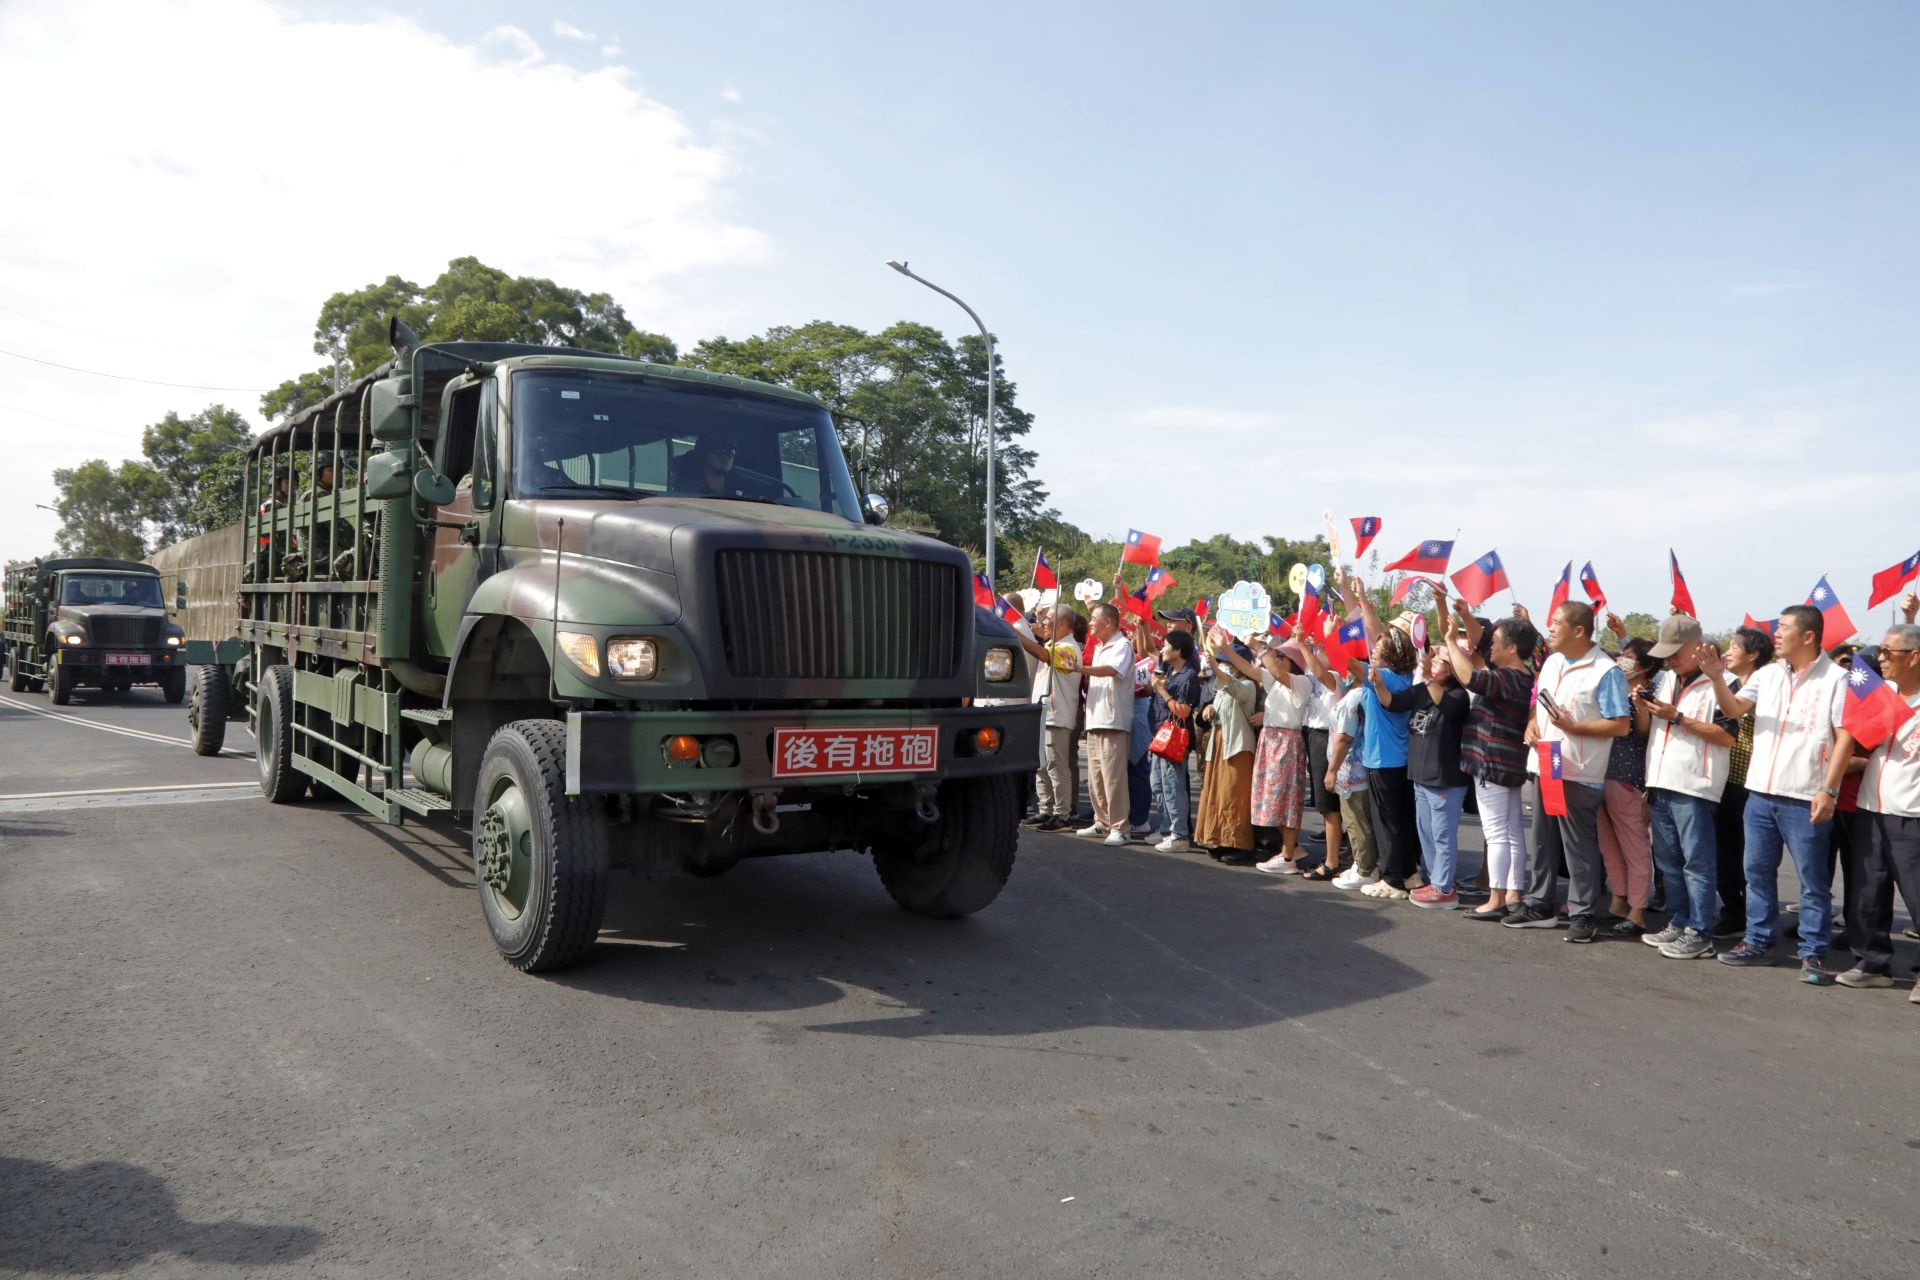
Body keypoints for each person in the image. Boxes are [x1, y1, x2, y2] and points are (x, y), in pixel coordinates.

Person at [1700, 603, 1849, 983]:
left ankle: (1813, 952)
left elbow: (1845, 737)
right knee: (1757, 873)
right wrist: (1718, 678)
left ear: (1809, 636)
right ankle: (1757, 939)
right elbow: (1733, 708)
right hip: (1761, 794)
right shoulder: (1767, 675)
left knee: (1812, 880)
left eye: (1783, 628)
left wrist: (1829, 790)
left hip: (1805, 795)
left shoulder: (1835, 678)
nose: (1776, 635)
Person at [1504, 601, 1632, 941]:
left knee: (1578, 845)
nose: (1550, 627)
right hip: (1545, 763)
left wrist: (1576, 728)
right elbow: (1538, 702)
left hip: (1578, 769)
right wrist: (1532, 725)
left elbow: (1620, 725)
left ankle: (1584, 912)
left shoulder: (1606, 671)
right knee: (1542, 840)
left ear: (1579, 630)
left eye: (1557, 622)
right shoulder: (1552, 661)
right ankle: (1539, 903)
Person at [1823, 624, 1920, 996]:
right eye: (1880, 652)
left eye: (1889, 653)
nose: (1880, 659)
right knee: (1868, 889)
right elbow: (1853, 738)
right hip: (1870, 806)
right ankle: (1873, 961)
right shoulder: (1882, 694)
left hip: (1911, 811)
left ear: (1914, 656)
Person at [1639, 614, 1739, 960]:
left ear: (1697, 646)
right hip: (1660, 782)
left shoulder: (1723, 683)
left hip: (1695, 786)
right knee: (1669, 862)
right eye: (1666, 653)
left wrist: (1678, 718)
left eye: (1675, 652)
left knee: (1697, 863)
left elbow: (1727, 736)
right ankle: (1679, 922)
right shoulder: (1666, 679)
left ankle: (1700, 930)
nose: (1669, 659)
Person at [1442, 603, 1537, 920]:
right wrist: (1465, 617)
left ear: (1511, 647)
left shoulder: (1508, 678)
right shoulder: (1523, 675)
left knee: (1497, 832)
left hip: (1491, 763)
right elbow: (1481, 641)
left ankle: (1496, 897)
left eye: (1496, 642)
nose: (1489, 647)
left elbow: (1470, 677)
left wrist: (1451, 644)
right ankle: (1512, 892)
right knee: (1511, 832)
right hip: (1506, 765)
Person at [1347, 577, 1419, 899]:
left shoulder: (1384, 676)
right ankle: (1405, 873)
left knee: (1388, 823)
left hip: (1384, 759)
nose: (1374, 647)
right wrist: (1359, 599)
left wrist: (1336, 634)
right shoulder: (1401, 676)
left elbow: (1347, 656)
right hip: (1395, 758)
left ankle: (1392, 880)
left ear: (1390, 653)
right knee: (1398, 822)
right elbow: (1372, 632)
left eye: (1379, 646)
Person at [1383, 644, 1471, 907]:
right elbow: (1393, 703)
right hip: (1421, 776)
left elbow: (1444, 705)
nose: (1433, 667)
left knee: (1443, 835)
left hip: (1445, 777)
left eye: (1439, 663)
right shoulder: (1422, 690)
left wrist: (1425, 671)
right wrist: (1378, 684)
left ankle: (1445, 889)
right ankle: (1436, 881)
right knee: (1426, 833)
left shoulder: (1459, 696)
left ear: (1452, 670)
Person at [1216, 639, 1313, 874]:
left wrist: (1260, 648)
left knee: (1285, 800)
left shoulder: (1300, 682)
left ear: (1293, 662)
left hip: (1286, 742)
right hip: (1270, 740)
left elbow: (1276, 671)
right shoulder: (1276, 681)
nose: (1276, 660)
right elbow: (1250, 669)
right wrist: (1226, 648)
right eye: (1276, 655)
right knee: (1270, 800)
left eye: (1282, 656)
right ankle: (1292, 847)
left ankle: (1288, 856)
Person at [1594, 628, 1657, 936]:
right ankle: (1618, 900)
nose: (1622, 660)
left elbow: (1644, 732)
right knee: (1610, 845)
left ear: (1645, 667)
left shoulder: (1648, 693)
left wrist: (1641, 706)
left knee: (1634, 846)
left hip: (1627, 777)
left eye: (1630, 658)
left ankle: (1637, 911)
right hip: (1601, 773)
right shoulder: (1615, 687)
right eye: (1622, 655)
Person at [1712, 627, 1774, 936]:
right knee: (1725, 852)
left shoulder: (1767, 687)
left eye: (1735, 647)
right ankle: (1733, 912)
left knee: (1754, 858)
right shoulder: (1731, 685)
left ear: (1753, 655)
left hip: (1752, 781)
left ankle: (1757, 918)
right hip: (1723, 779)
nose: (1728, 651)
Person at [1194, 634, 1259, 866]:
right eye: (1222, 663)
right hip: (1219, 743)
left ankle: (1241, 844)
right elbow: (1221, 699)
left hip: (1238, 746)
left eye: (1227, 663)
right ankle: (1220, 838)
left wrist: (1215, 667)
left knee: (1235, 794)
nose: (1223, 667)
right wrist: (1208, 709)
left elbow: (1236, 690)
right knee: (1218, 792)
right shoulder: (1220, 689)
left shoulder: (1249, 685)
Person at [1077, 603, 1136, 846]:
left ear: (1108, 622)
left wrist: (1081, 668)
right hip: (1095, 719)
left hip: (1113, 720)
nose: (1090, 623)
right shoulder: (1101, 647)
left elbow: (1113, 670)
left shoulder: (1122, 645)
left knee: (1113, 778)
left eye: (1093, 618)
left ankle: (1121, 827)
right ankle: (1102, 823)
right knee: (1095, 777)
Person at [1020, 606, 1083, 832]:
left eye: (1049, 620)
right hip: (1043, 713)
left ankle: (1061, 814)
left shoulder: (1069, 648)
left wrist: (1016, 633)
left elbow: (1042, 656)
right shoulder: (1053, 643)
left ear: (1064, 625)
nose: (1044, 623)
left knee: (1057, 766)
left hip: (1057, 716)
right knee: (1041, 765)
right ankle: (1045, 808)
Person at [1297, 630, 1350, 881]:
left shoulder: (1336, 678)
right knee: (1324, 805)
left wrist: (1303, 646)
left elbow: (1320, 672)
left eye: (1322, 649)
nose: (1318, 653)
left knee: (1330, 806)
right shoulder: (1310, 675)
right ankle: (1337, 856)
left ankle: (1332, 861)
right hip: (1312, 735)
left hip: (1326, 738)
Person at [1146, 630, 1202, 852]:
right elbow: (1146, 650)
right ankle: (1166, 829)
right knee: (1158, 785)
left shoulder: (1188, 676)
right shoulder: (1168, 670)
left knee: (1172, 786)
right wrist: (1156, 685)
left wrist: (1163, 691)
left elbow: (1184, 712)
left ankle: (1180, 835)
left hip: (1174, 738)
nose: (1163, 649)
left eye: (1167, 645)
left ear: (1179, 650)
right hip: (1159, 734)